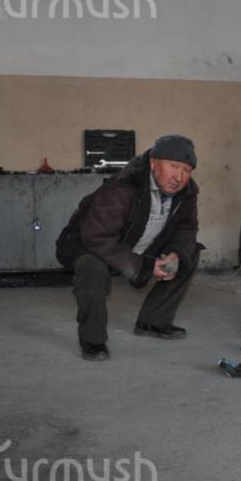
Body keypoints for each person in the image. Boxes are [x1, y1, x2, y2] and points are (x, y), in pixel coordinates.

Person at [56, 134, 201, 361]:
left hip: (137, 242)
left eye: (187, 170)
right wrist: (144, 266)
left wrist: (175, 253)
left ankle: (153, 322)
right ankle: (92, 340)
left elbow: (186, 228)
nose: (179, 177)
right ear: (153, 162)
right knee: (92, 269)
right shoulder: (124, 185)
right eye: (173, 166)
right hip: (87, 243)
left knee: (189, 252)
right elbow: (97, 237)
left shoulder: (187, 192)